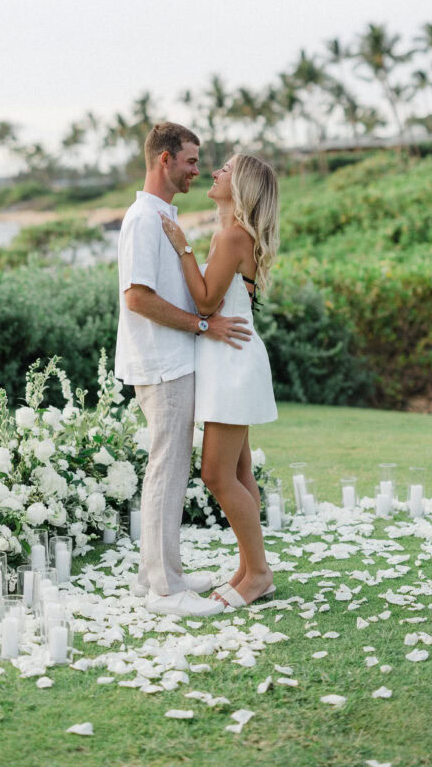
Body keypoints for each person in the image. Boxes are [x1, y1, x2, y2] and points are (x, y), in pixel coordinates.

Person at [115, 122, 253, 617]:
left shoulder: (161, 216)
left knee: (169, 469)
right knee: (167, 470)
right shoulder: (144, 219)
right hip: (161, 362)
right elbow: (137, 299)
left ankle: (158, 572)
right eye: (191, 160)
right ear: (164, 161)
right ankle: (163, 590)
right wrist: (202, 325)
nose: (198, 168)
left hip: (173, 359)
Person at [160, 153, 279, 608]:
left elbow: (207, 303)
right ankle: (250, 569)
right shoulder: (232, 235)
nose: (214, 173)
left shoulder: (232, 236)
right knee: (238, 472)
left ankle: (259, 574)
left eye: (224, 170)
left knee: (215, 473)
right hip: (229, 362)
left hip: (232, 365)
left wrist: (183, 248)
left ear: (242, 185)